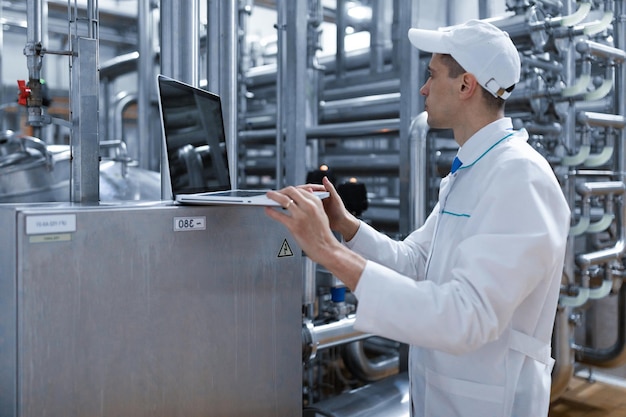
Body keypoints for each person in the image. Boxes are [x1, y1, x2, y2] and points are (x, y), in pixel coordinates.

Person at [265, 19, 571, 417]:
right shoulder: (470, 172)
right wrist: (344, 225)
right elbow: (414, 263)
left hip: (490, 403)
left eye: (432, 75)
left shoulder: (519, 177)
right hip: (446, 398)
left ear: (466, 86)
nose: (424, 89)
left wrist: (325, 250)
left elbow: (467, 317)